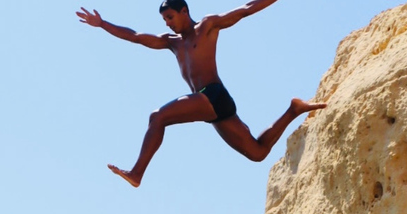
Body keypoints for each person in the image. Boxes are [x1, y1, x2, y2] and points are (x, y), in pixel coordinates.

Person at [76, 0, 327, 188]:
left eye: (171, 17)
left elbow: (246, 9)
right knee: (257, 153)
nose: (168, 23)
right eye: (165, 20)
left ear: (184, 11)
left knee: (158, 117)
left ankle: (137, 173)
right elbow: (136, 37)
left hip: (214, 95)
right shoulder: (171, 42)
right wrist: (102, 24)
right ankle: (293, 109)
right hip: (209, 107)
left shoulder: (206, 26)